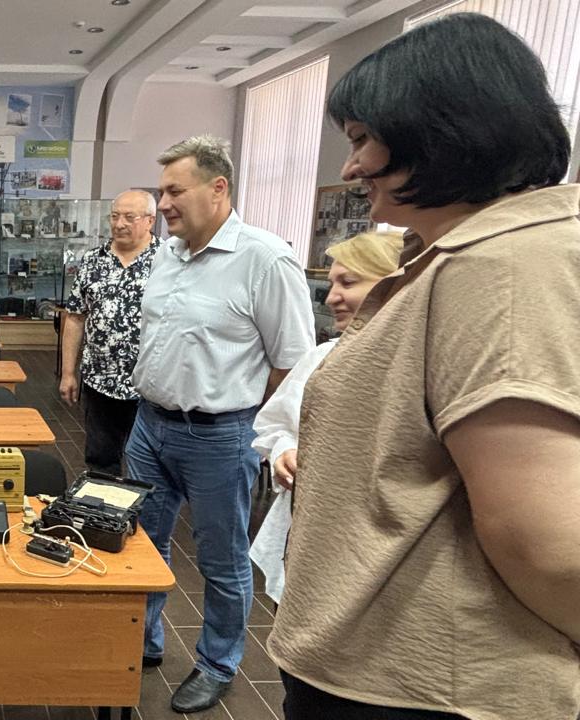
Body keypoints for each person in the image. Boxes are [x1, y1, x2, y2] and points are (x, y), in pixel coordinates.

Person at [270, 14, 580, 719]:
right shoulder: (456, 257)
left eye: (361, 140)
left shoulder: (505, 268)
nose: (349, 169)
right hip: (377, 668)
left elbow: (547, 544)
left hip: (433, 689)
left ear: (439, 134)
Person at [125, 136, 314, 713]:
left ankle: (217, 663)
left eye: (174, 191)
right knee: (140, 543)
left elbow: (293, 364)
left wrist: (256, 428)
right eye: (160, 192)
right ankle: (143, 641)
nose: (162, 204)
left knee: (221, 559)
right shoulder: (167, 254)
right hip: (149, 426)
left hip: (220, 436)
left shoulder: (266, 260)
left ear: (218, 187)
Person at [248, 231, 402, 604]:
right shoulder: (323, 358)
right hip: (311, 537)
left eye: (347, 283)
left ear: (397, 284)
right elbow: (278, 424)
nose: (331, 297)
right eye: (332, 283)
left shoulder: (420, 369)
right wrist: (284, 451)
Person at [59, 189, 158, 475]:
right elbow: (75, 318)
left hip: (150, 386)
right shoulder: (93, 260)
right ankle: (103, 504)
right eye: (114, 216)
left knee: (148, 464)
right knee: (100, 460)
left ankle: (142, 507)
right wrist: (68, 373)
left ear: (150, 220)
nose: (119, 224)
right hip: (99, 380)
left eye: (129, 217)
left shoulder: (169, 260)